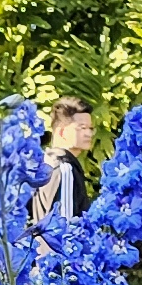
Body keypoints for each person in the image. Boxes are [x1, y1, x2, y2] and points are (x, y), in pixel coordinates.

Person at [32, 96, 96, 224]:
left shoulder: (44, 162)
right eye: (82, 128)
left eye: (90, 128)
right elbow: (65, 227)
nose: (89, 133)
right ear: (61, 132)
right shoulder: (64, 168)